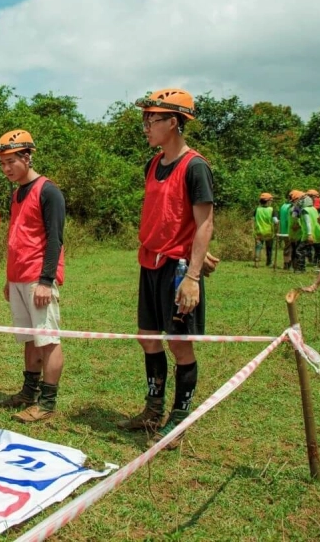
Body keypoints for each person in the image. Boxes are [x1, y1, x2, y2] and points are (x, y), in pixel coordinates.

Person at [119, 89, 214, 450]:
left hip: (177, 270)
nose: (146, 127)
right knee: (147, 336)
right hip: (150, 262)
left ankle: (179, 417)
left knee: (180, 345)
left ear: (173, 122)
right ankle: (153, 408)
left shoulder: (195, 167)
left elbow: (204, 223)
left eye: (152, 120)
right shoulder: (154, 163)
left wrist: (193, 274)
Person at [0, 132, 66, 423]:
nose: (6, 168)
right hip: (18, 277)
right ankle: (28, 392)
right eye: (2, 163)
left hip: (38, 278)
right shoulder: (17, 193)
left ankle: (47, 402)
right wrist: (10, 279)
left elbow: (54, 239)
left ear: (27, 157)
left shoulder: (48, 191)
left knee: (47, 339)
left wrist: (46, 280)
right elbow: (18, 237)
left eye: (11, 161)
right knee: (29, 338)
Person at [297, 194, 320, 272]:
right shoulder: (313, 208)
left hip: (309, 234)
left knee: (300, 250)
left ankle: (301, 268)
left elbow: (308, 223)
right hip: (318, 233)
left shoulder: (305, 210)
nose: (299, 203)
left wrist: (309, 234)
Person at [253, 193, 275, 267]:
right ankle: (269, 263)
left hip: (258, 232)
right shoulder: (271, 210)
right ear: (268, 201)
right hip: (269, 232)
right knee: (269, 248)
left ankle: (256, 262)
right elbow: (275, 221)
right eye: (271, 201)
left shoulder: (257, 210)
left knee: (258, 247)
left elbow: (253, 220)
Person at [288, 190, 306, 273]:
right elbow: (295, 220)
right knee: (298, 250)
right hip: (297, 232)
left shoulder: (291, 208)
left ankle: (295, 267)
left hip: (293, 233)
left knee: (295, 250)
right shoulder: (296, 209)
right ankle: (299, 267)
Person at [277, 193, 294, 270]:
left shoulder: (283, 206)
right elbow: (289, 219)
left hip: (283, 230)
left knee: (287, 247)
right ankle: (288, 264)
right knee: (290, 248)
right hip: (289, 231)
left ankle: (286, 264)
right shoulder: (290, 207)